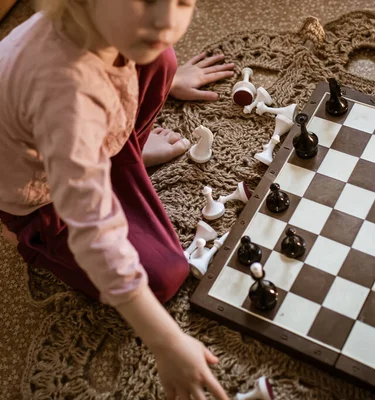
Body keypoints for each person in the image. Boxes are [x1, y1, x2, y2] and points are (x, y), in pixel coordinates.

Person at [0, 1, 236, 399]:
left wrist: (165, 76)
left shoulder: (94, 23)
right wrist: (166, 342)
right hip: (41, 199)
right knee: (163, 275)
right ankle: (32, 237)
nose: (167, 21)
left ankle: (116, 150)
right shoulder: (67, 95)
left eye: (182, 2)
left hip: (71, 144)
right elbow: (95, 235)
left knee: (161, 59)